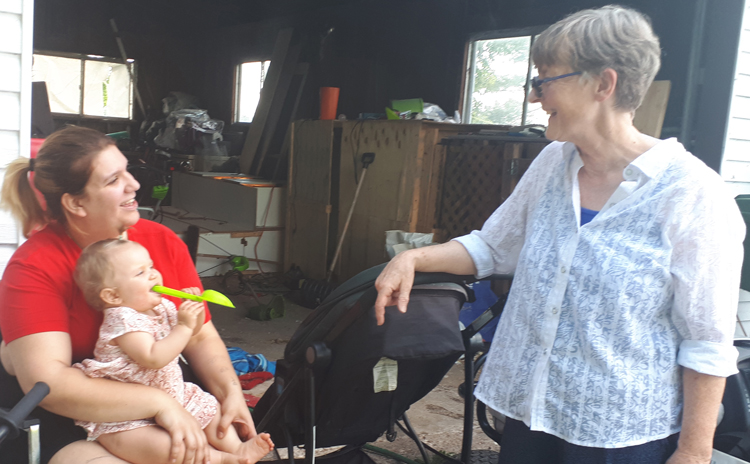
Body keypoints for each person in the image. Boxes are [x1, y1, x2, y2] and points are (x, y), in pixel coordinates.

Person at [374, 5, 745, 464]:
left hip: (619, 435)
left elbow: (707, 341)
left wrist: (693, 451)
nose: (534, 97)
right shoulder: (553, 164)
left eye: (544, 80)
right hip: (533, 415)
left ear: (603, 85)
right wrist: (413, 258)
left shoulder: (693, 195)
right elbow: (494, 246)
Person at [0, 126, 257, 464]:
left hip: (161, 393)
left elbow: (200, 336)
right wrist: (159, 404)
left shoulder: (161, 241)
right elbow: (50, 383)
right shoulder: (35, 266)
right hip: (70, 413)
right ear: (76, 203)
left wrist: (231, 395)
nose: (134, 185)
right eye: (113, 180)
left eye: (128, 171)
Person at [70, 239, 274, 464]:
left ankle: (238, 449)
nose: (153, 275)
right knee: (167, 448)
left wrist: (193, 318)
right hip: (128, 411)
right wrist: (184, 327)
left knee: (210, 410)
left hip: (172, 393)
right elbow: (153, 357)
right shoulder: (122, 320)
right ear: (113, 296)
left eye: (151, 267)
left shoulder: (160, 306)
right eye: (140, 273)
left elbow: (190, 335)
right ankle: (221, 459)